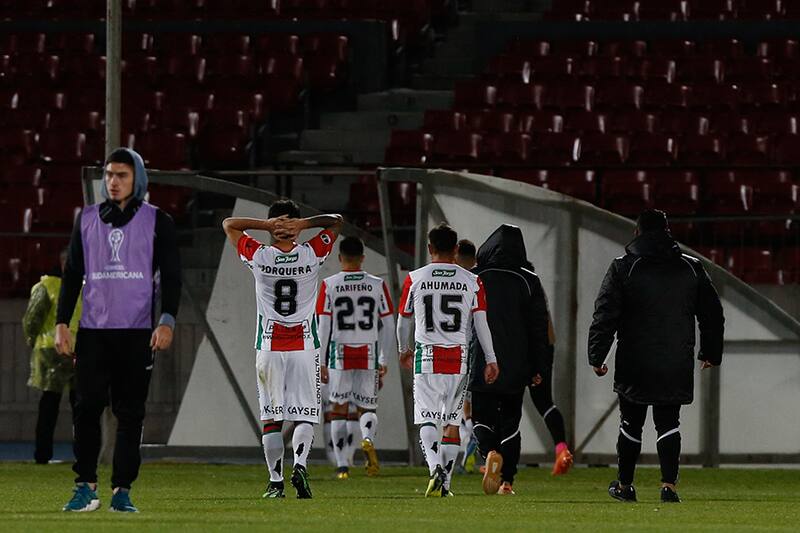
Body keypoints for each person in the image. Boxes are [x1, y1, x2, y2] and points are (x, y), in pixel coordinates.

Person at [55, 148, 181, 513]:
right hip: (93, 332)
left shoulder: (159, 221)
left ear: (137, 179)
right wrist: (62, 323)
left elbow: (172, 276)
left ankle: (122, 491)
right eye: (109, 174)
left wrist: (167, 320)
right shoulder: (86, 218)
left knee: (130, 414)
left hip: (137, 332)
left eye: (122, 175)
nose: (113, 181)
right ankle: (85, 486)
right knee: (86, 409)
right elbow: (72, 274)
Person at [588, 209, 724, 504]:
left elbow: (605, 314)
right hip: (675, 360)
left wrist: (597, 354)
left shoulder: (623, 267)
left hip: (634, 360)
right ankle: (668, 488)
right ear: (667, 232)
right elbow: (712, 313)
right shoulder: (691, 267)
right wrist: (711, 352)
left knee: (630, 423)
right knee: (669, 422)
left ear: (636, 233)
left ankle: (625, 486)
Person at [223, 200, 342, 499]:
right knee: (304, 414)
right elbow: (336, 221)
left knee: (272, 419)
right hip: (305, 346)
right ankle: (300, 465)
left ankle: (276, 483)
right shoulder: (312, 252)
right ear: (297, 227)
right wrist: (304, 224)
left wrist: (265, 226)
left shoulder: (259, 255)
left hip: (269, 346)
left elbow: (229, 224)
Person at [397, 223, 499, 497]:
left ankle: (435, 469)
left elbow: (403, 320)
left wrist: (403, 349)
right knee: (452, 423)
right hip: (458, 359)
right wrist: (491, 358)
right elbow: (481, 324)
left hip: (426, 357)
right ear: (455, 249)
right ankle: (446, 485)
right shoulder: (472, 281)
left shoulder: (414, 278)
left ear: (429, 248)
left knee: (427, 419)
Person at [469, 224, 550, 495]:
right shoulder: (529, 280)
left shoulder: (475, 276)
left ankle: (490, 451)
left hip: (482, 360)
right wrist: (539, 367)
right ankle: (507, 482)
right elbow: (538, 329)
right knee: (511, 422)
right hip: (517, 363)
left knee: (481, 417)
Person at [317, 236, 396, 479]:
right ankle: (367, 438)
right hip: (368, 353)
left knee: (338, 409)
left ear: (340, 258)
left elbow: (323, 325)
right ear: (363, 258)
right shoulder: (376, 284)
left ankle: (342, 466)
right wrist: (383, 359)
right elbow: (388, 324)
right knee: (367, 406)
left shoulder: (329, 284)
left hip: (339, 354)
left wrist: (321, 360)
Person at [23, 249, 81, 464]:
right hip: (75, 350)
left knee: (50, 404)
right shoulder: (86, 287)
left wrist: (32, 340)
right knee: (79, 405)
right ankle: (83, 454)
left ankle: (43, 454)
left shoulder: (47, 286)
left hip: (51, 349)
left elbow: (32, 319)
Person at [454, 239, 478, 473]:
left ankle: (470, 438)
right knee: (470, 404)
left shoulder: (456, 280)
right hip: (477, 350)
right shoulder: (478, 280)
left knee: (460, 406)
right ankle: (472, 439)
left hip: (455, 350)